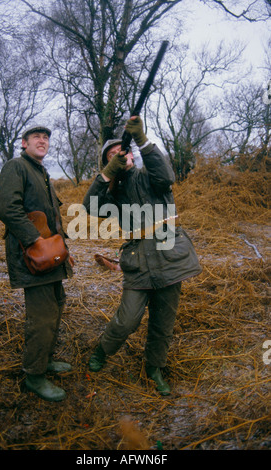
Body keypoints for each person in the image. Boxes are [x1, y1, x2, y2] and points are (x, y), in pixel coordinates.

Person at [83, 116, 202, 395]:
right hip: (138, 262)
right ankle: (102, 352)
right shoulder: (113, 195)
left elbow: (166, 175)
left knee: (163, 323)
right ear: (109, 163)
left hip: (169, 257)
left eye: (122, 152)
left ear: (133, 157)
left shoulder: (150, 176)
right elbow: (90, 205)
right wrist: (105, 176)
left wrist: (142, 140)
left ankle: (154, 369)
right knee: (127, 320)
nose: (119, 155)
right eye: (112, 155)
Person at [0, 125, 74, 402]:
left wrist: (63, 249)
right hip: (32, 258)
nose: (43, 140)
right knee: (41, 318)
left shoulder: (42, 172)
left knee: (55, 308)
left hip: (51, 258)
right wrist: (35, 242)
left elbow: (51, 218)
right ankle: (34, 376)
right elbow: (6, 208)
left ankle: (46, 360)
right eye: (36, 137)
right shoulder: (16, 167)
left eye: (46, 138)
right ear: (24, 143)